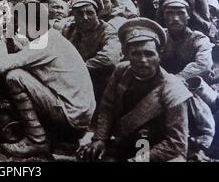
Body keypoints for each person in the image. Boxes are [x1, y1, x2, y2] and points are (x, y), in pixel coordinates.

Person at [0, 0, 95, 157]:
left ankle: (37, 140)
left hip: (72, 115)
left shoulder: (44, 44)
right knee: (22, 74)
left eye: (20, 24)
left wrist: (2, 40)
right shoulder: (51, 37)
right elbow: (27, 51)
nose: (19, 29)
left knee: (15, 76)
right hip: (80, 112)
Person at [79, 18, 192, 162]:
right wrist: (100, 139)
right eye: (136, 54)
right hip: (126, 141)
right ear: (126, 54)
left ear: (159, 55)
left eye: (149, 54)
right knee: (87, 153)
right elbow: (107, 107)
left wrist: (137, 160)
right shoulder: (121, 71)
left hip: (159, 151)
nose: (143, 60)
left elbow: (176, 143)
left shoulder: (173, 89)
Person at [62, 0, 121, 102]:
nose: (85, 18)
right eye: (79, 14)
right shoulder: (69, 29)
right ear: (73, 16)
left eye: (89, 13)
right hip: (74, 80)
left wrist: (80, 68)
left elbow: (110, 58)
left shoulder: (108, 31)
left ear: (97, 14)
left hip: (101, 82)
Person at [157, 0, 214, 81]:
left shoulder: (199, 39)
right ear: (163, 16)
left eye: (181, 13)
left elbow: (203, 66)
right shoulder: (157, 37)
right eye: (169, 13)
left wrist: (175, 80)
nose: (175, 19)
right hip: (160, 84)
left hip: (191, 86)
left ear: (188, 16)